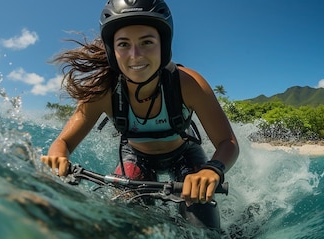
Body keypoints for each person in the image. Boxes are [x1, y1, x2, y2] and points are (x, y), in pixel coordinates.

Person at [41, 0, 239, 229]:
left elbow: (228, 142)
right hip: (136, 157)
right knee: (124, 222)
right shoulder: (102, 91)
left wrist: (212, 170)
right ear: (111, 50)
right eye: (123, 44)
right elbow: (63, 142)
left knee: (204, 225)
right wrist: (58, 157)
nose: (135, 55)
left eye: (147, 42)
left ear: (163, 44)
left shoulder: (188, 83)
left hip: (184, 153)